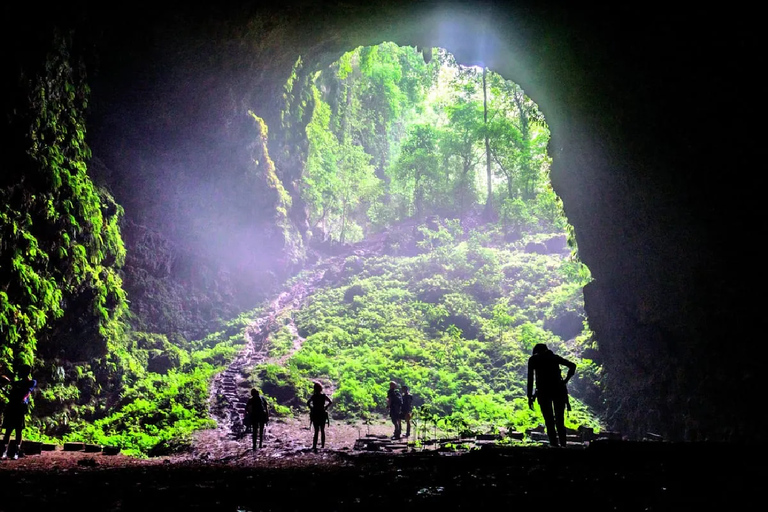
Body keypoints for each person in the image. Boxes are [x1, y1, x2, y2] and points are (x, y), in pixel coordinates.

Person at [527, 343, 576, 448]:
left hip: (543, 392)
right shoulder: (554, 358)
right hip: (558, 391)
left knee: (549, 420)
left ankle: (554, 444)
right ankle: (562, 445)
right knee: (559, 420)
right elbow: (572, 365)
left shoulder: (534, 360)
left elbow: (530, 379)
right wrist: (565, 381)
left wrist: (529, 396)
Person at [1, 364, 36, 460]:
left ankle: (16, 452)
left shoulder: (31, 382)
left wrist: (22, 398)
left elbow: (27, 392)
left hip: (19, 408)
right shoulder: (16, 383)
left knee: (18, 430)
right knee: (8, 430)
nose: (20, 373)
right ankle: (4, 452)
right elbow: (10, 396)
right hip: (12, 407)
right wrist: (3, 389)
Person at [307, 382, 332, 452]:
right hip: (322, 413)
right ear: (321, 389)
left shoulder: (313, 396)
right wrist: (325, 407)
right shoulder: (323, 396)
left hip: (315, 414)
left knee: (316, 431)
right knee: (322, 430)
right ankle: (322, 445)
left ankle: (314, 446)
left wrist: (311, 408)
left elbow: (308, 403)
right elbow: (330, 401)